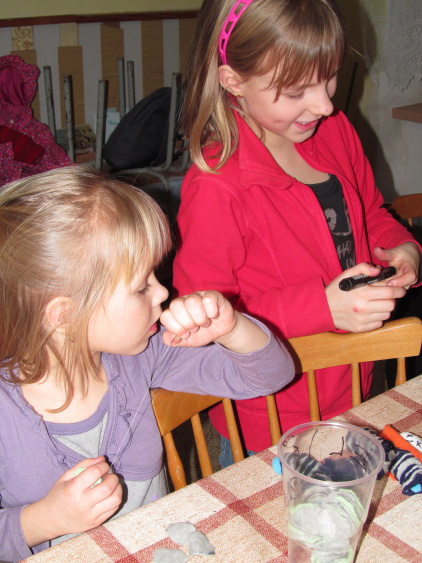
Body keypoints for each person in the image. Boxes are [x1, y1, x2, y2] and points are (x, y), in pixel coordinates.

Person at [0, 166, 295, 561]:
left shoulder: (140, 355)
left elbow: (272, 375)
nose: (163, 292)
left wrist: (231, 328)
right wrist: (40, 521)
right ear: (66, 316)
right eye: (142, 287)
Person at [173, 0, 421, 466]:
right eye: (295, 91)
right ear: (234, 81)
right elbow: (204, 321)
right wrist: (322, 307)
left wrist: (403, 247)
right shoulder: (216, 186)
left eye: (329, 77)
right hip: (271, 416)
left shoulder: (335, 130)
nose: (324, 104)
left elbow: (370, 213)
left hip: (356, 382)